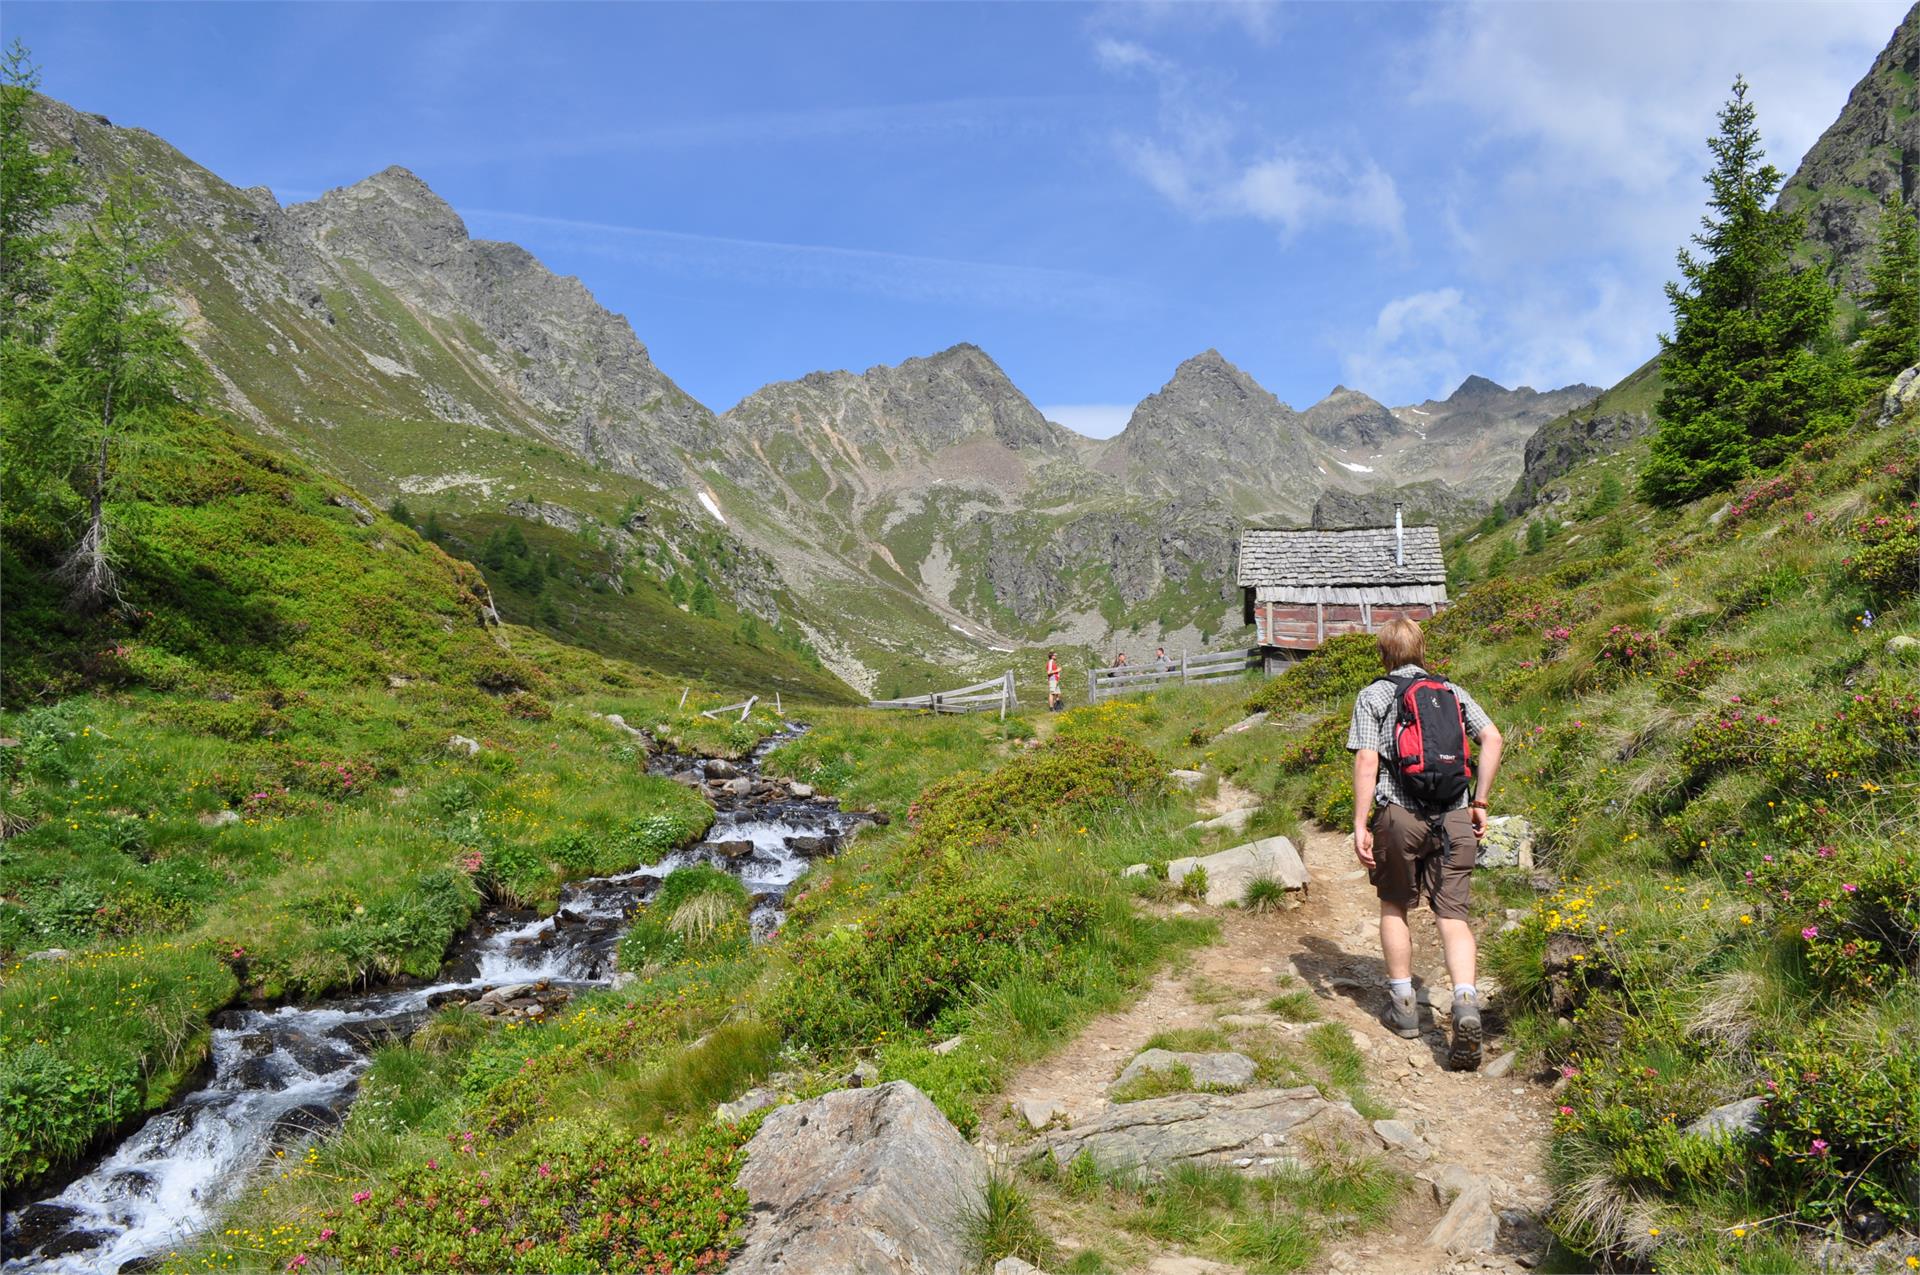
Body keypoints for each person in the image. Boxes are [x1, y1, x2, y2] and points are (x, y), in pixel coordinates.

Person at [1347, 618, 1504, 1071]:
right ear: (1421, 649)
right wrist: (1481, 801)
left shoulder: (1374, 695)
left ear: (1384, 654)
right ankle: (1465, 1002)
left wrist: (1361, 823)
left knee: (1395, 905)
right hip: (1454, 817)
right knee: (1452, 916)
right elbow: (1492, 738)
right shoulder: (1451, 691)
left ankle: (1403, 1006)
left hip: (1399, 817)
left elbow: (1366, 758)